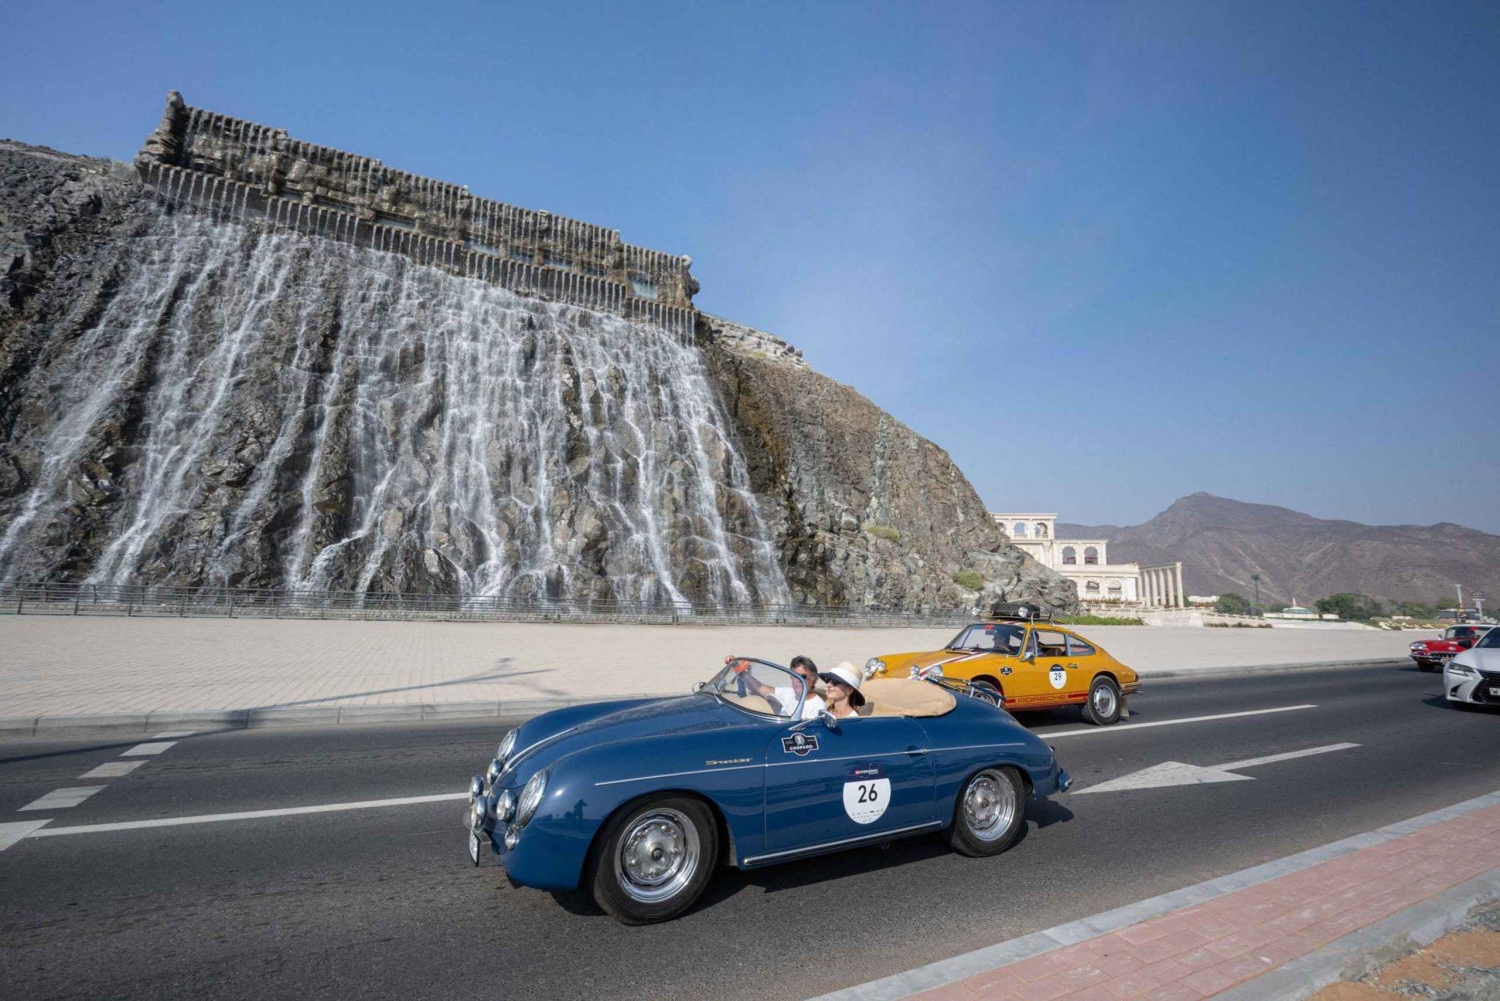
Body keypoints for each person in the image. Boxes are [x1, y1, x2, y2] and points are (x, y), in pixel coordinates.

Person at [726, 655, 825, 719]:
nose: (799, 680)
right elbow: (758, 688)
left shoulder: (817, 706)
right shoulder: (788, 692)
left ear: (814, 680)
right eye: (795, 676)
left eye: (803, 677)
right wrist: (737, 667)